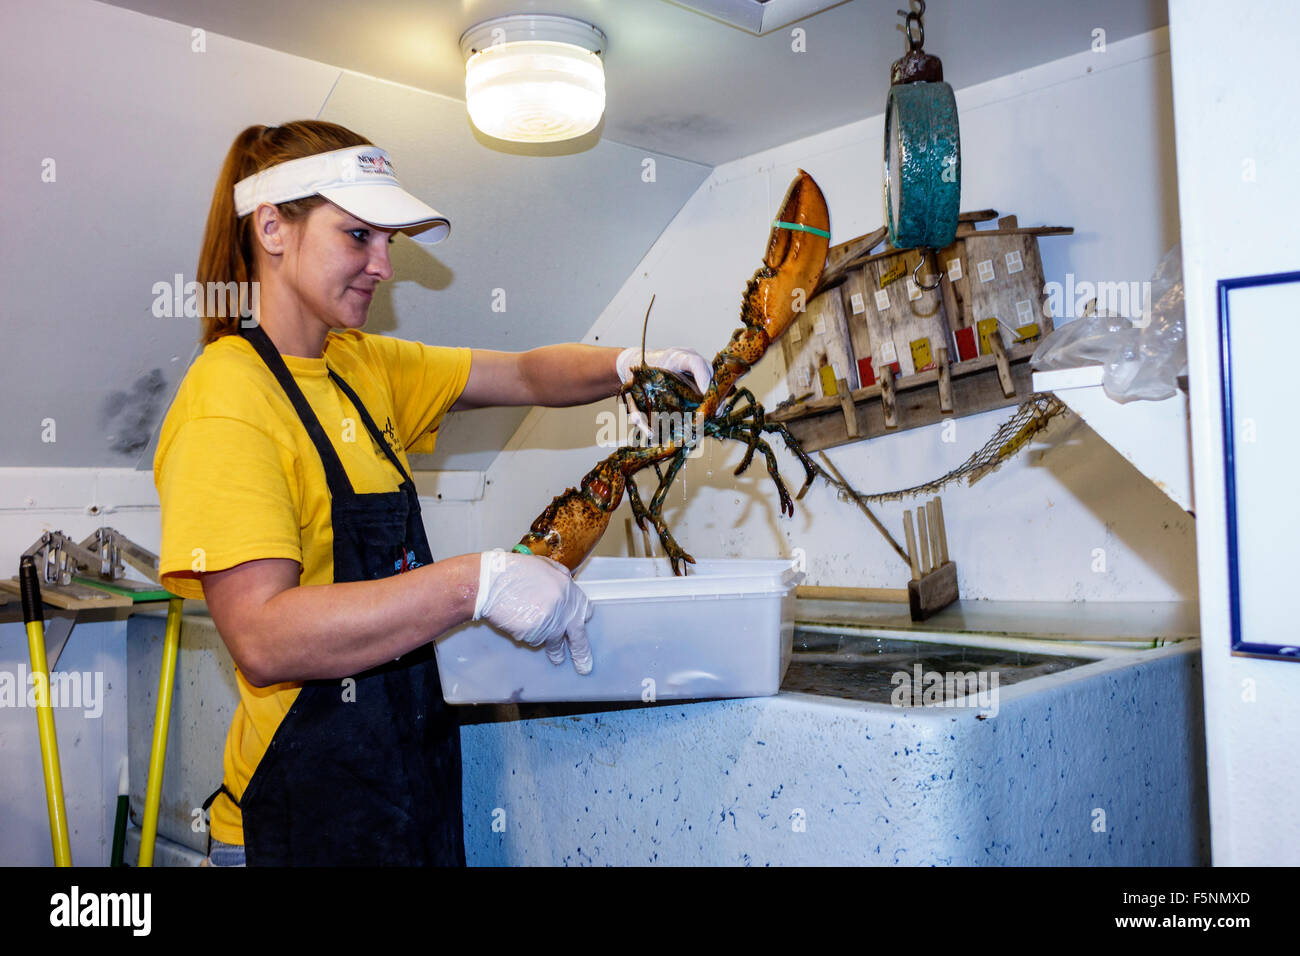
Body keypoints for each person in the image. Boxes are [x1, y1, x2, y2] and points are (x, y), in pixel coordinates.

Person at [153, 121, 712, 867]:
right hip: (300, 817)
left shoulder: (360, 363)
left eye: (389, 241)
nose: (384, 265)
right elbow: (263, 638)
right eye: (359, 237)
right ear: (272, 228)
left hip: (407, 791)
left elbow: (522, 376)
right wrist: (472, 584)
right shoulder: (227, 394)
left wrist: (630, 365)